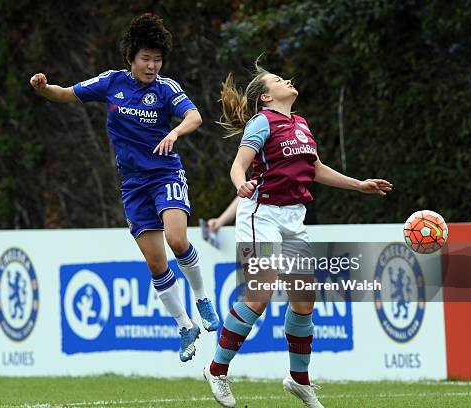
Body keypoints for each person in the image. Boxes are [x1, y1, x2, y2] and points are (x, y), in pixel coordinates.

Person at [29, 13, 219, 362]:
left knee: (177, 239)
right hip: (133, 185)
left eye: (157, 59)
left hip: (165, 175)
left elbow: (194, 116)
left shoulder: (166, 88)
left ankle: (202, 299)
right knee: (156, 264)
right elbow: (66, 94)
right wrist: (43, 88)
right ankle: (184, 325)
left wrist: (175, 132)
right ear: (130, 57)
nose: (151, 65)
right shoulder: (111, 83)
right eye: (145, 58)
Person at [203, 62, 392, 407]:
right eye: (277, 80)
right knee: (259, 296)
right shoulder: (262, 122)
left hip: (294, 217)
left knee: (304, 302)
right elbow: (238, 164)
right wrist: (239, 183)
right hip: (262, 213)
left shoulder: (301, 124)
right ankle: (217, 369)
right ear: (266, 96)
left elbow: (316, 169)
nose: (287, 80)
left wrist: (359, 185)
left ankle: (299, 380)